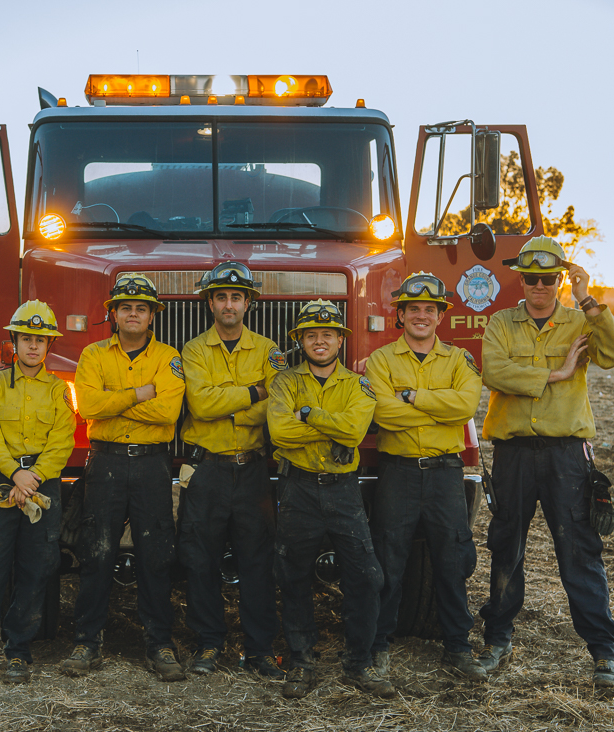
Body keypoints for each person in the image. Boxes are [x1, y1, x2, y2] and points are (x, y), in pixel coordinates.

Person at [478, 237, 614, 689]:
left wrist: (588, 298)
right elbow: (493, 371)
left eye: (548, 278)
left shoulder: (581, 320)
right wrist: (556, 374)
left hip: (567, 456)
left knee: (579, 552)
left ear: (560, 278)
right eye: (531, 278)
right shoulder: (500, 323)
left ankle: (604, 653)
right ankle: (497, 640)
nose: (539, 286)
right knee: (506, 547)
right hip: (514, 455)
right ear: (520, 279)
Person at [60, 273, 187, 681]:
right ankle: (87, 641)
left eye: (142, 308)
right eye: (126, 307)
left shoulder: (169, 357)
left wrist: (113, 405)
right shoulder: (94, 354)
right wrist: (138, 394)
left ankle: (159, 643)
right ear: (113, 314)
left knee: (157, 554)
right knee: (96, 551)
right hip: (106, 461)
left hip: (152, 464)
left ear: (152, 316)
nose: (133, 314)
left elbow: (168, 413)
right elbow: (88, 405)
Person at [365, 272, 486, 682]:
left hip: (444, 474)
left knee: (451, 562)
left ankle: (458, 647)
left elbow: (465, 406)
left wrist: (412, 397)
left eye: (429, 309)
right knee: (389, 561)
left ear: (440, 317)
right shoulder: (381, 361)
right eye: (413, 308)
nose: (421, 315)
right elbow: (383, 414)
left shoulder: (459, 360)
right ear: (400, 315)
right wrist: (439, 409)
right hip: (397, 474)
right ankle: (377, 646)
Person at [267, 299, 391, 699]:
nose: (319, 341)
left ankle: (360, 663)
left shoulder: (360, 384)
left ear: (341, 339)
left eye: (328, 334)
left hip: (343, 489)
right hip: (298, 487)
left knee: (367, 576)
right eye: (311, 335)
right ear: (300, 340)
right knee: (293, 575)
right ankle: (300, 663)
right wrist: (329, 427)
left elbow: (355, 433)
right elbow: (279, 433)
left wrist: (309, 414)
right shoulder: (285, 382)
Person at [0, 301, 75, 687]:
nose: (34, 347)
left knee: (35, 570)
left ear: (48, 345)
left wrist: (34, 477)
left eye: (41, 340)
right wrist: (16, 474)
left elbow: (62, 442)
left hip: (42, 486)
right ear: (14, 341)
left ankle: (18, 653)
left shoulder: (58, 390)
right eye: (27, 338)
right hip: (2, 486)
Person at [178, 262, 285, 679]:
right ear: (210, 303)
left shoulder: (269, 349)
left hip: (253, 471)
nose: (228, 304)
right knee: (200, 559)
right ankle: (208, 644)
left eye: (236, 297)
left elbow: (273, 405)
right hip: (207, 470)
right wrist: (253, 393)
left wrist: (231, 402)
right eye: (221, 297)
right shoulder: (192, 350)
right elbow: (200, 405)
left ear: (248, 303)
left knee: (257, 560)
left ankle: (259, 650)